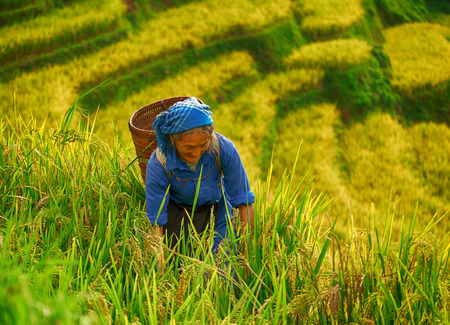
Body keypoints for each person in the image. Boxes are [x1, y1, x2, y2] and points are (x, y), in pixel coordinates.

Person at [145, 97, 255, 253]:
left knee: (224, 265)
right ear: (172, 139)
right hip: (179, 214)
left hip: (217, 212)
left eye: (203, 145)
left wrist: (247, 254)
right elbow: (156, 221)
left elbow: (244, 200)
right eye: (189, 147)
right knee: (181, 268)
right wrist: (159, 267)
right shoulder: (159, 163)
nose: (196, 152)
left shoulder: (223, 148)